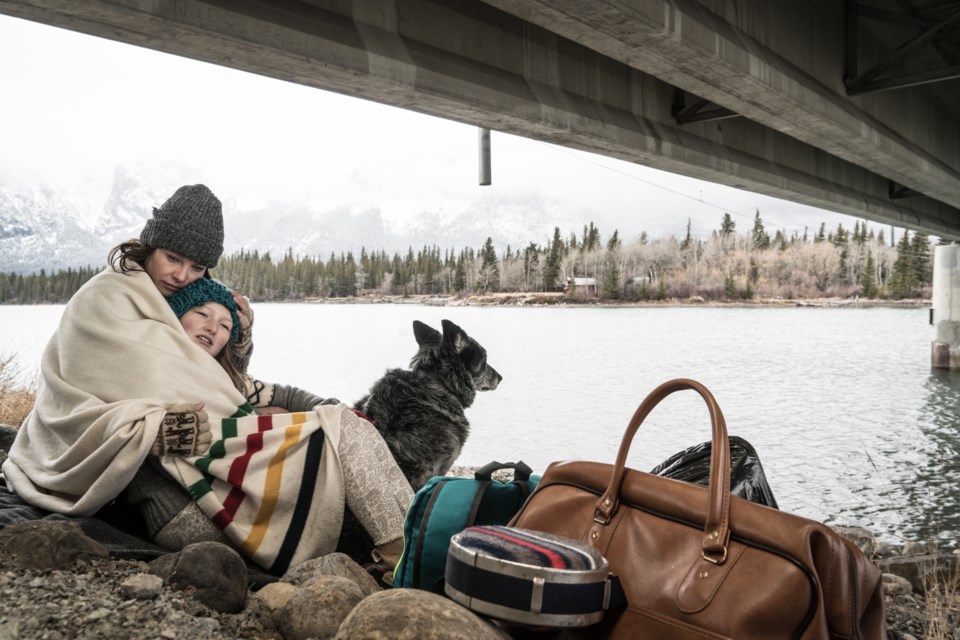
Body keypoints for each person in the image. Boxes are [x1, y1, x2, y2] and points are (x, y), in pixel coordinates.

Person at [1, 183, 410, 573]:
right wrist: (222, 423)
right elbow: (87, 404)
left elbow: (220, 381)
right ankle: (412, 556)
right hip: (183, 504)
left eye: (196, 266)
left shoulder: (169, 312)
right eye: (173, 258)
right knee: (344, 438)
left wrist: (253, 354)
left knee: (345, 428)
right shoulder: (106, 301)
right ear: (150, 245)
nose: (181, 275)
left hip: (210, 487)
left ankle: (408, 550)